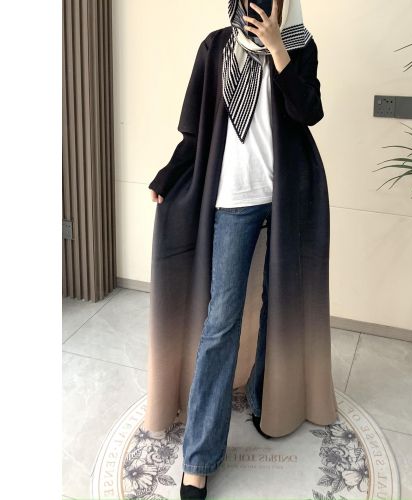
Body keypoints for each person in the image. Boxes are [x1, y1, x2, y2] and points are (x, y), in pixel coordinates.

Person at [148, 1, 329, 498]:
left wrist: (278, 48)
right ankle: (199, 457)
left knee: (280, 307)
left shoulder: (300, 45)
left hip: (288, 195)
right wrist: (169, 174)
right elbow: (194, 132)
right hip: (233, 199)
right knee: (222, 320)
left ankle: (268, 401)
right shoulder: (215, 48)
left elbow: (309, 112)